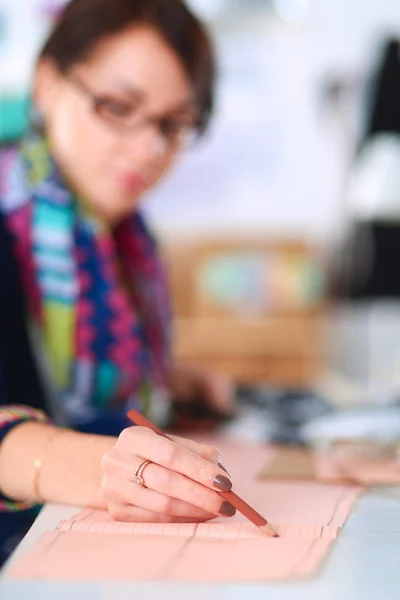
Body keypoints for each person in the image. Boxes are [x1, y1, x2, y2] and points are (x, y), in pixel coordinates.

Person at [0, 0, 235, 566]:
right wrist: (91, 464)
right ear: (48, 84)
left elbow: (44, 378)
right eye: (119, 107)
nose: (150, 149)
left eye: (173, 124)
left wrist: (167, 380)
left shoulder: (126, 245)